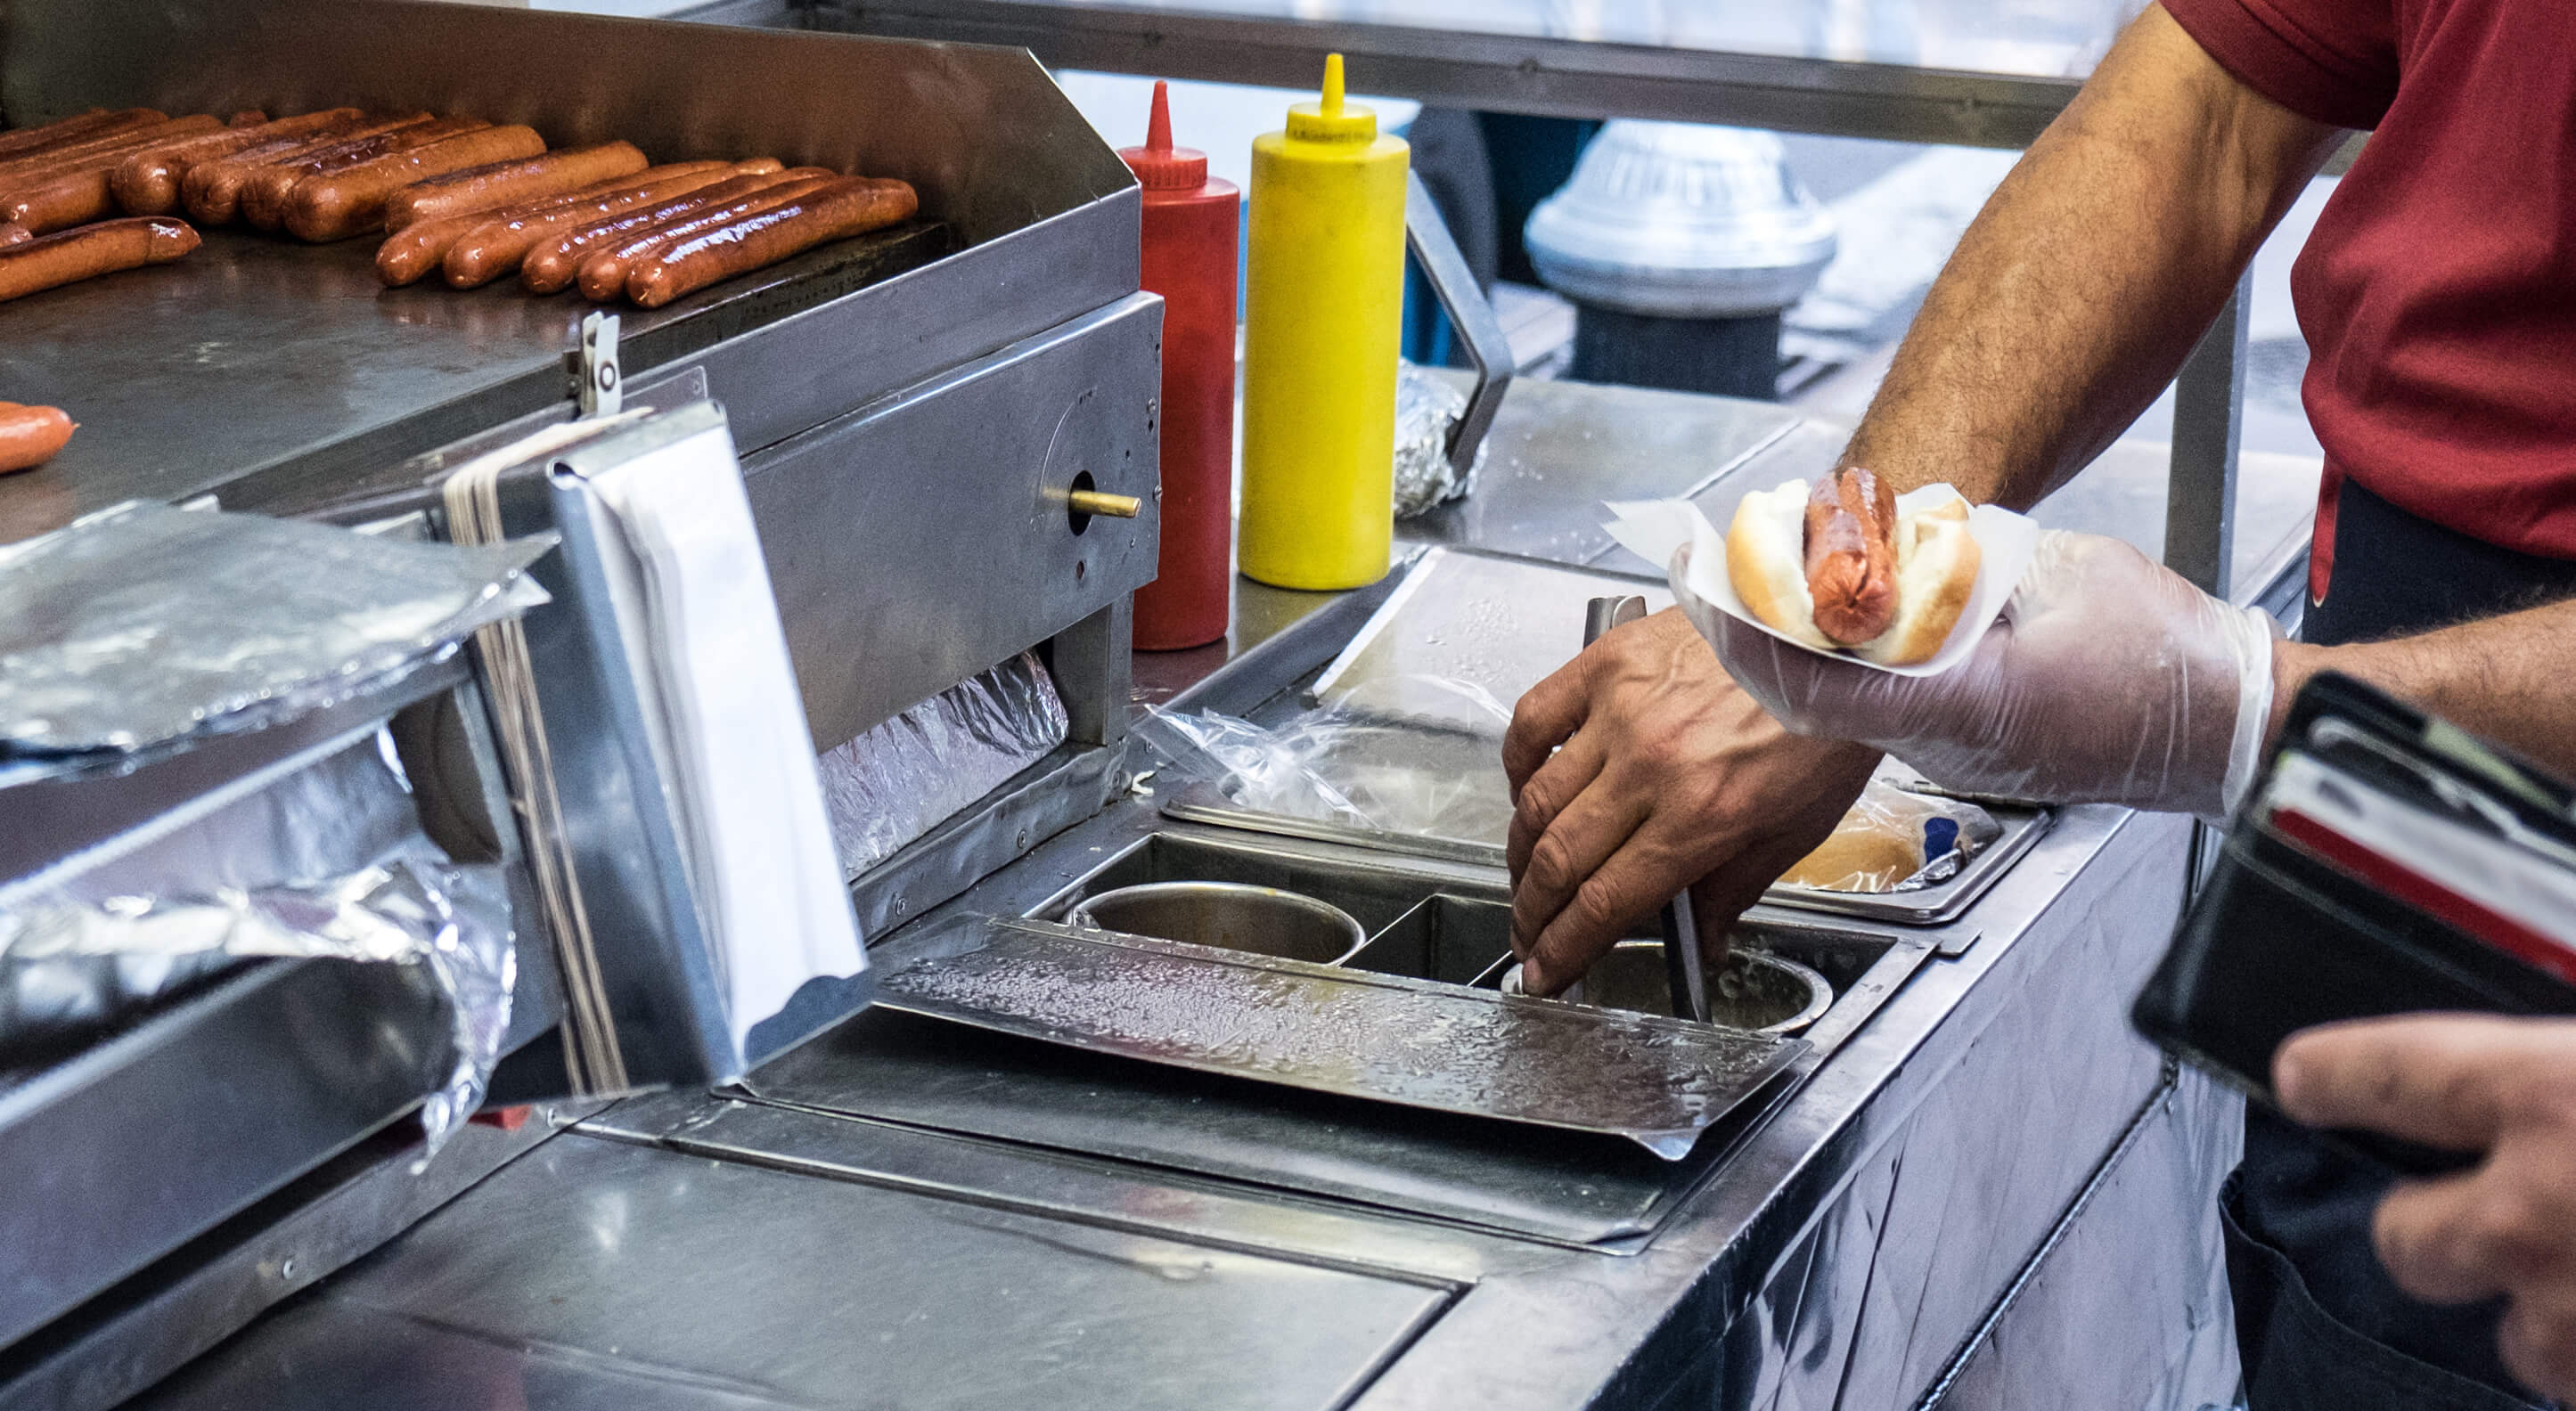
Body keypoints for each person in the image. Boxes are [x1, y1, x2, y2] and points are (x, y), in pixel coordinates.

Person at [1503, 1, 2576, 1405]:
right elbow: (2204, 109)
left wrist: (2245, 709)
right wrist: (1868, 593)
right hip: (2391, 741)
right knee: (2359, 1313)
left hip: (2468, 726)